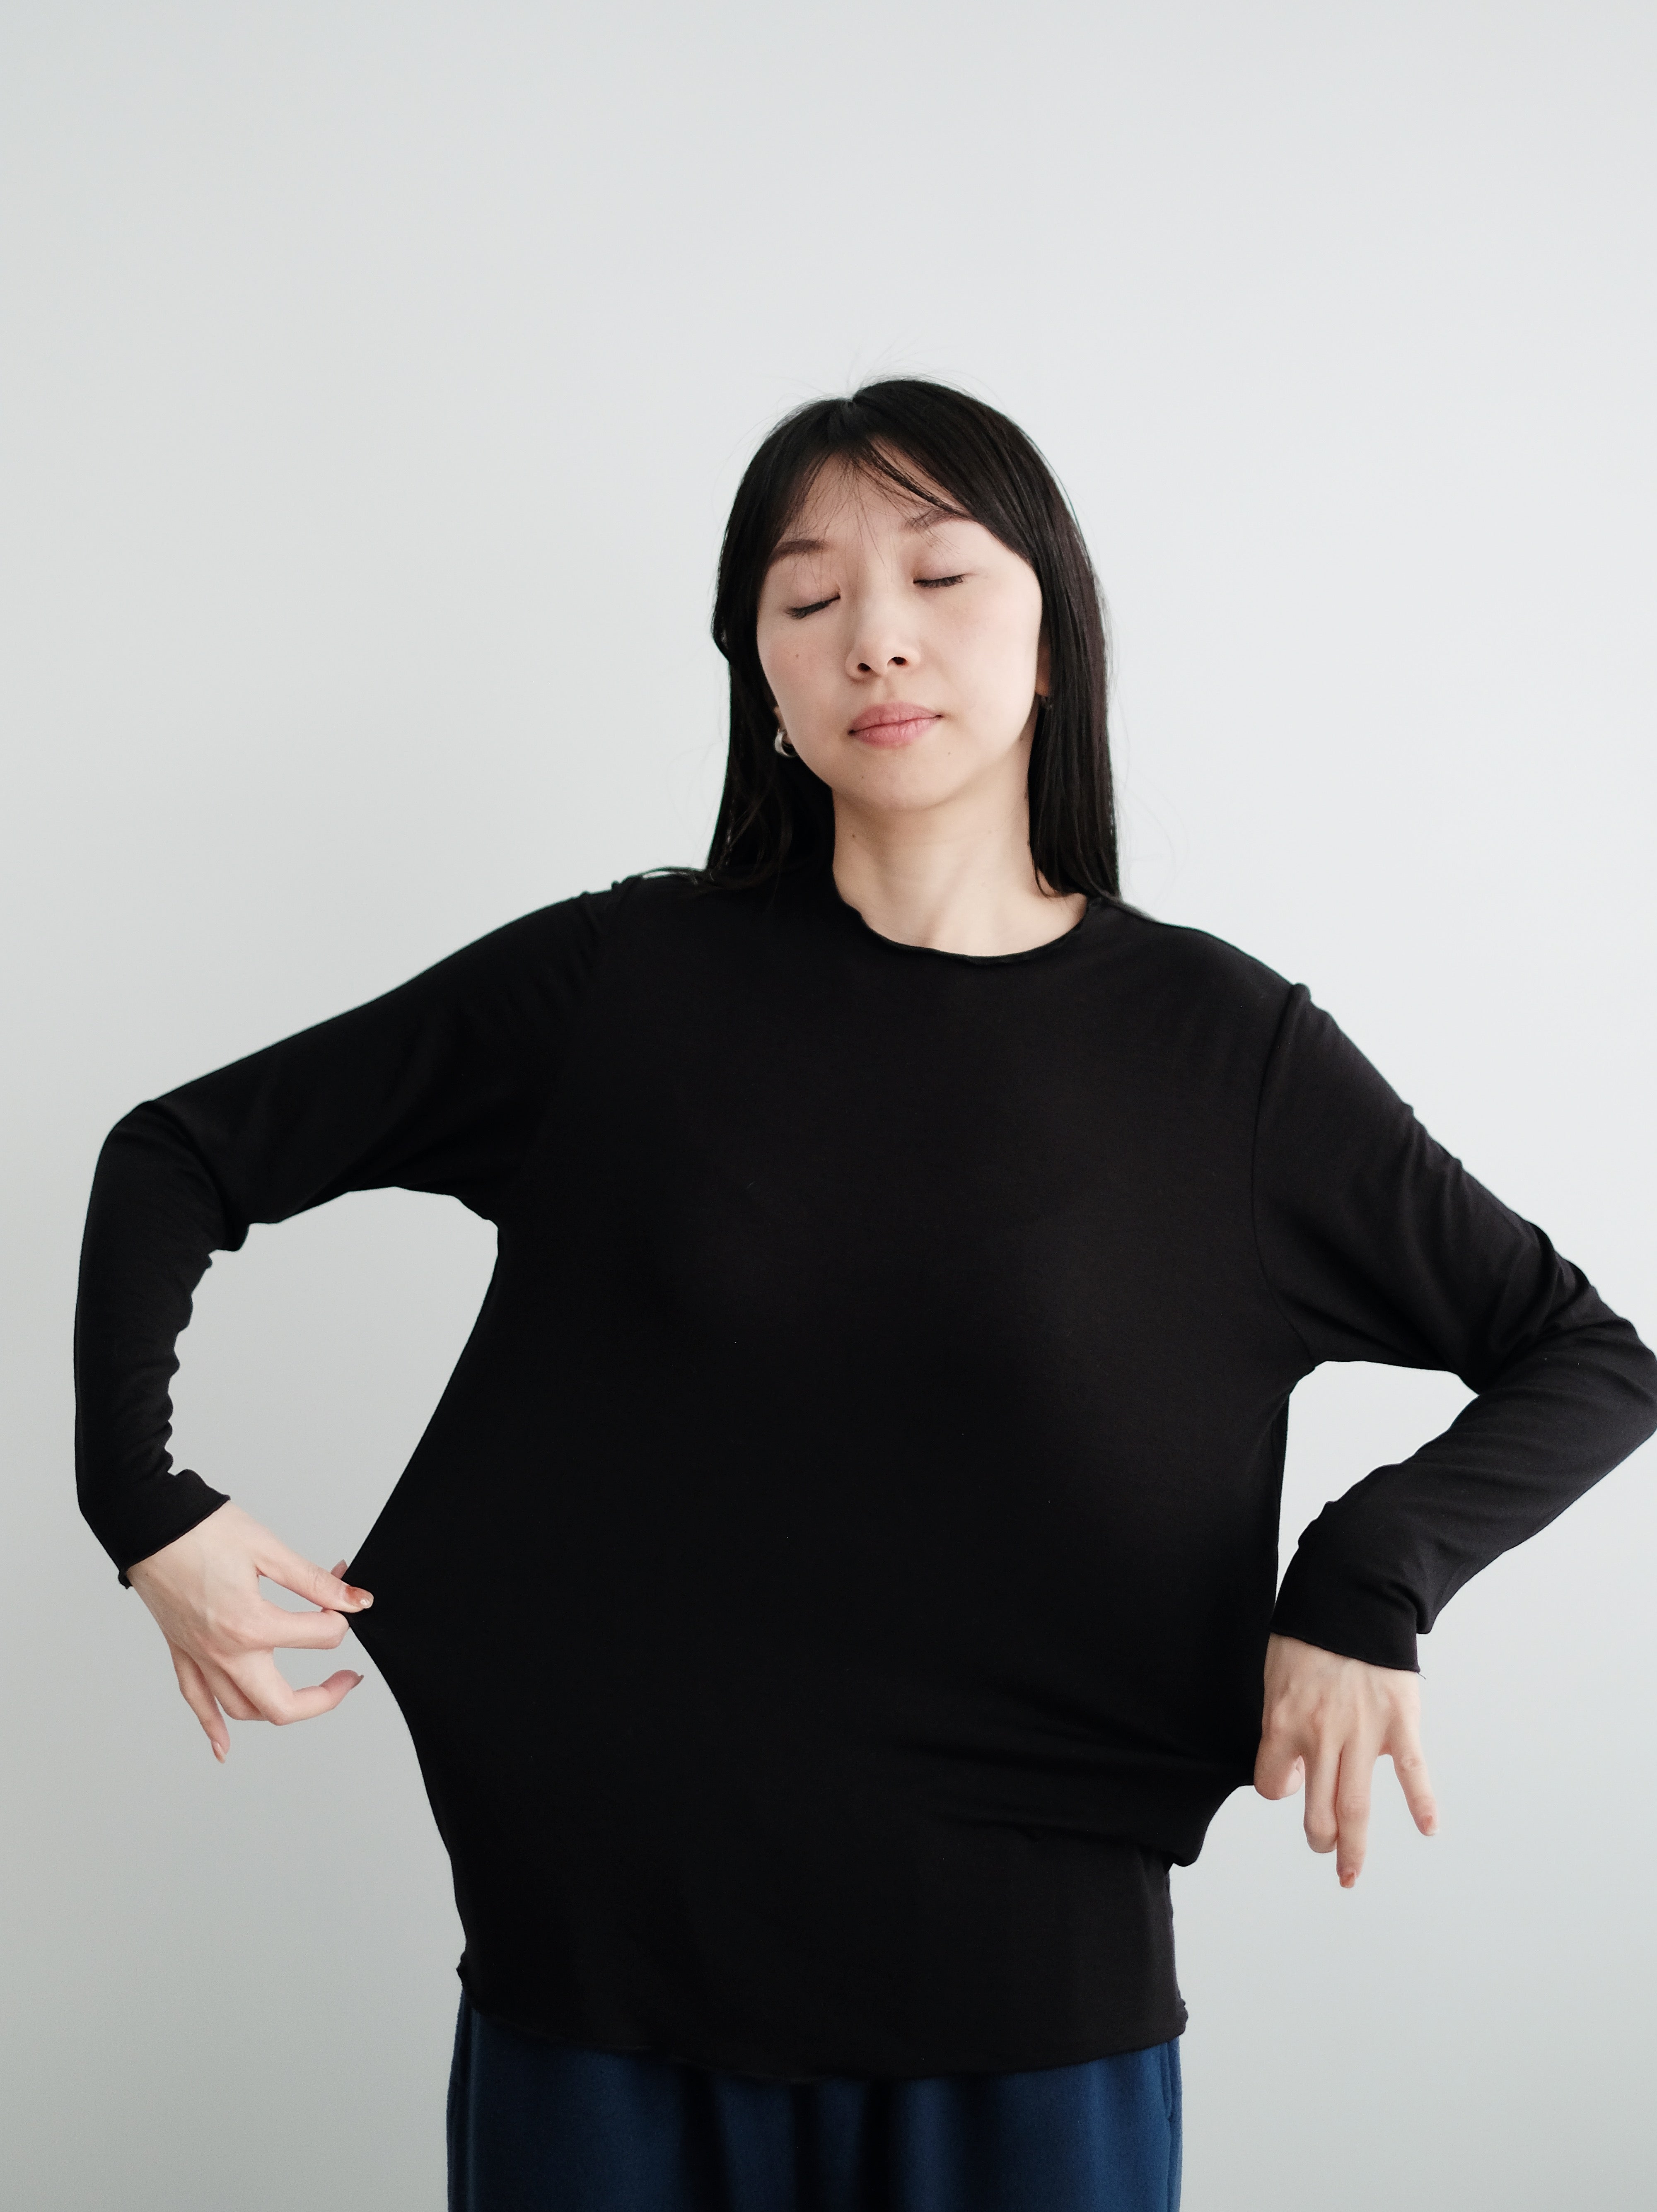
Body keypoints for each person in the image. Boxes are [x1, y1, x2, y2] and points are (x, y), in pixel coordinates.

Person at [75, 380, 1657, 2212]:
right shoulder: (620, 986)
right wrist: (142, 1502)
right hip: (604, 1996)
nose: (876, 636)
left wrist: (1368, 1577)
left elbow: (1584, 1357)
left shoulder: (1222, 1055)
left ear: (1054, 638)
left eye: (939, 576)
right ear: (761, 671)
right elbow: (179, 1153)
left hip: (1030, 2027)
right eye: (808, 596)